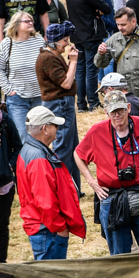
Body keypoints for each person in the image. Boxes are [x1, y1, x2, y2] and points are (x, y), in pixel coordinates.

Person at [17, 104, 84, 278]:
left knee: (42, 277)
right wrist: (60, 227)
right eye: (54, 125)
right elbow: (45, 201)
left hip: (40, 227)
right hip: (47, 229)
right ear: (44, 128)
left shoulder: (30, 150)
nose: (57, 129)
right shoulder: (38, 157)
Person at [75, 90, 139, 255]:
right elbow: (78, 154)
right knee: (120, 256)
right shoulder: (97, 131)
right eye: (113, 112)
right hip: (112, 200)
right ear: (106, 112)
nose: (117, 115)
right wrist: (91, 181)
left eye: (121, 110)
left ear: (128, 108)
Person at [34, 21, 81, 193]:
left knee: (72, 146)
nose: (67, 43)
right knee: (63, 148)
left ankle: (73, 187)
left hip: (62, 103)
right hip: (59, 105)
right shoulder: (48, 59)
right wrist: (73, 61)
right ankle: (63, 188)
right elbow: (66, 83)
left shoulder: (53, 56)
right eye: (64, 40)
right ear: (54, 42)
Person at [65, 0, 111, 112]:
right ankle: (93, 102)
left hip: (77, 35)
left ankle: (81, 104)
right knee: (91, 69)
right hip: (91, 35)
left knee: (80, 70)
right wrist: (97, 11)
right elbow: (107, 8)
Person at [0, 11, 45, 139]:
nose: (31, 23)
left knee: (39, 134)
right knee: (22, 135)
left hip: (39, 96)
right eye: (26, 21)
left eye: (31, 20)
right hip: (17, 99)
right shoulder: (7, 43)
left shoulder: (39, 41)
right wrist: (9, 90)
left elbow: (46, 65)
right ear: (16, 25)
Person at [0, 84, 20, 265]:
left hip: (3, 185)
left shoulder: (5, 120)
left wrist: (9, 166)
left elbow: (18, 147)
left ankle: (0, 264)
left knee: (1, 226)